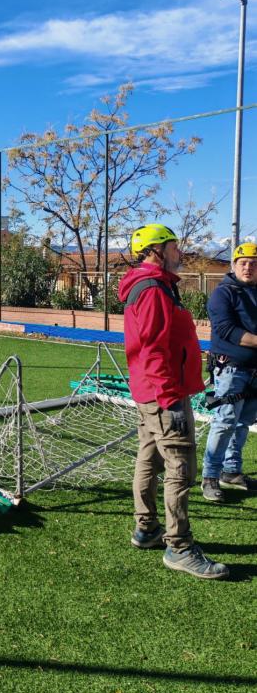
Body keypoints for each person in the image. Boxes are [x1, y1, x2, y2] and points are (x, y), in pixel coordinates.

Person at [118, 223, 228, 580]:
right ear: (156, 251)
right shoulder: (152, 289)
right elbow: (152, 347)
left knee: (148, 456)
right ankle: (179, 546)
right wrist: (168, 399)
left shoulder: (157, 285)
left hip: (152, 391)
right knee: (180, 467)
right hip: (162, 393)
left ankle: (146, 528)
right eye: (173, 247)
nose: (179, 253)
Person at [201, 242, 257, 502]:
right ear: (233, 265)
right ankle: (210, 477)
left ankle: (231, 471)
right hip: (231, 370)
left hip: (253, 372)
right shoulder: (223, 293)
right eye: (243, 262)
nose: (249, 267)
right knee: (224, 423)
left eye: (254, 263)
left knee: (243, 422)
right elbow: (226, 330)